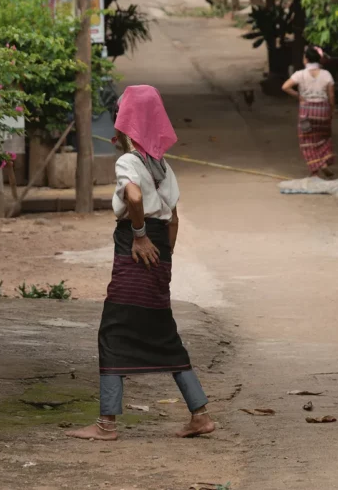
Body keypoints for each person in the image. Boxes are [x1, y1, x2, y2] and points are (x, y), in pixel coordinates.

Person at [65, 85, 215, 441]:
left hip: (136, 250)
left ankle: (106, 425)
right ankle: (200, 415)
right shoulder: (164, 167)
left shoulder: (128, 162)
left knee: (112, 331)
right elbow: (175, 218)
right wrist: (165, 260)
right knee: (164, 333)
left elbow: (132, 195)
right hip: (159, 253)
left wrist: (139, 233)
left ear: (126, 124)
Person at [282, 46, 336, 178]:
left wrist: (298, 96)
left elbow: (285, 87)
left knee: (307, 141)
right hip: (323, 111)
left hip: (307, 112)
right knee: (323, 138)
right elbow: (332, 97)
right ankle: (323, 162)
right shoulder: (326, 74)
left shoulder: (300, 74)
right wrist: (331, 111)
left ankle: (316, 169)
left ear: (306, 59)